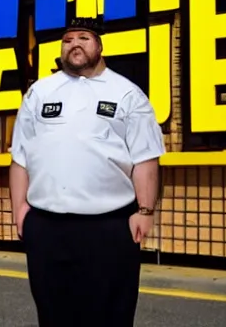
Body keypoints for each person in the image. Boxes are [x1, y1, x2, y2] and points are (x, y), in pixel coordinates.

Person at [8, 17, 164, 327]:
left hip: (109, 228)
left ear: (99, 45)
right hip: (47, 228)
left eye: (84, 38)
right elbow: (20, 158)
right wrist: (20, 212)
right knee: (53, 315)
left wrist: (145, 211)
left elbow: (146, 158)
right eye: (68, 40)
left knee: (110, 316)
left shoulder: (127, 94)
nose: (75, 44)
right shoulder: (40, 92)